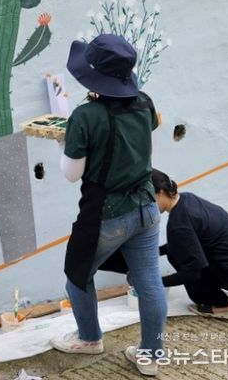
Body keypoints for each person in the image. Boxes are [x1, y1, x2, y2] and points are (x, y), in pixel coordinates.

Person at [50, 34, 167, 377]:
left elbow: (71, 174)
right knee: (149, 282)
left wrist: (64, 141)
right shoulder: (144, 102)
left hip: (107, 214)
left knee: (77, 277)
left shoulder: (85, 116)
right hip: (147, 207)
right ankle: (151, 355)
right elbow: (149, 127)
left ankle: (89, 338)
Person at [152, 169, 228, 319]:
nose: (146, 205)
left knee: (179, 257)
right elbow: (184, 241)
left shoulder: (178, 224)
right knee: (219, 246)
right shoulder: (188, 199)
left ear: (160, 193)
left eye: (147, 199)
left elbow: (192, 274)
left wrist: (153, 283)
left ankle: (221, 305)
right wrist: (156, 251)